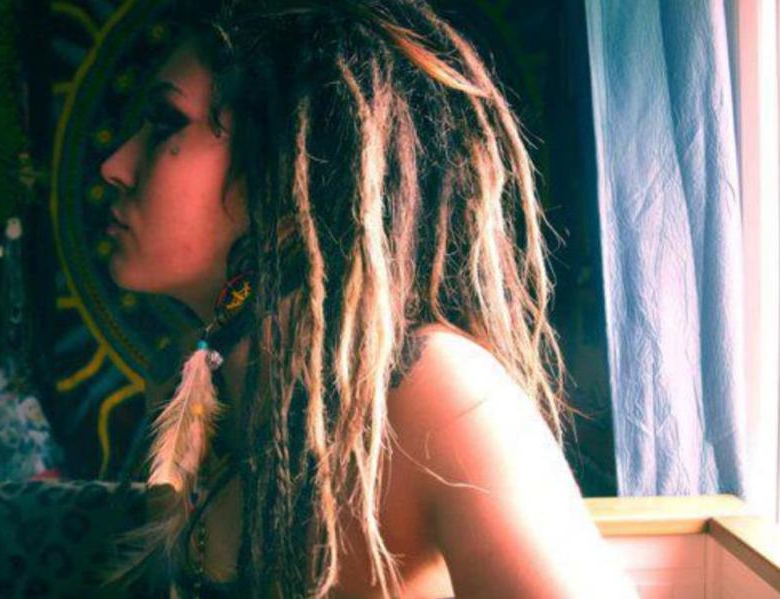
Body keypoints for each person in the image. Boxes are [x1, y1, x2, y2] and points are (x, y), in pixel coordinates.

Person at [100, 1, 637, 597]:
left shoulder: (437, 391)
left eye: (165, 123)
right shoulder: (187, 383)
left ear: (291, 163)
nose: (114, 166)